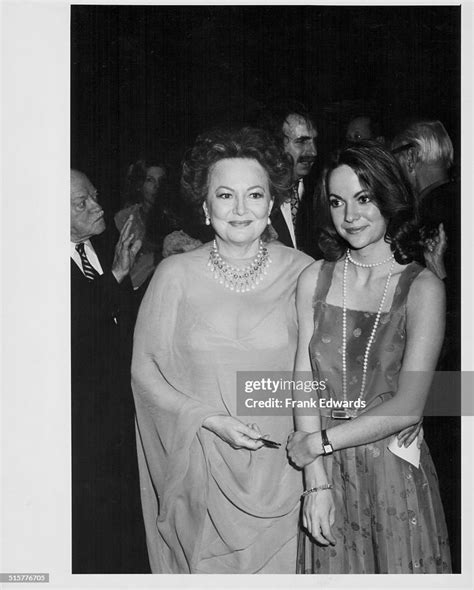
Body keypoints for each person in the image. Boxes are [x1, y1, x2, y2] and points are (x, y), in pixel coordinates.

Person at [131, 127, 314, 573]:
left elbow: (332, 373)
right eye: (225, 195)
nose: (239, 209)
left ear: (271, 204)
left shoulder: (304, 272)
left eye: (254, 195)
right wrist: (208, 419)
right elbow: (144, 371)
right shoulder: (173, 274)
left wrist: (398, 410)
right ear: (204, 205)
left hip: (285, 474)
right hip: (202, 477)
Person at [286, 142, 451, 574]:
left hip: (392, 469)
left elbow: (409, 406)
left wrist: (317, 443)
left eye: (364, 198)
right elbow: (305, 379)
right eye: (338, 202)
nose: (350, 217)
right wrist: (314, 481)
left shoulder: (422, 288)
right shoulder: (314, 278)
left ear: (389, 196)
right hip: (327, 471)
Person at [70, 170, 149, 572]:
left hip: (120, 409)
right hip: (82, 424)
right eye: (81, 203)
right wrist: (118, 274)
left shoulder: (98, 246)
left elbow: (121, 317)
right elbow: (75, 333)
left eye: (95, 195)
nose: (98, 207)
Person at [262, 101, 320, 256]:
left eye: (314, 141)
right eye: (301, 142)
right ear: (276, 145)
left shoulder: (321, 189)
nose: (313, 151)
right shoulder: (258, 193)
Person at [114, 158, 171, 292]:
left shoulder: (175, 217)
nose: (157, 186)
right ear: (139, 184)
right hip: (132, 289)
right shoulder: (124, 218)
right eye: (150, 180)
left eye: (161, 180)